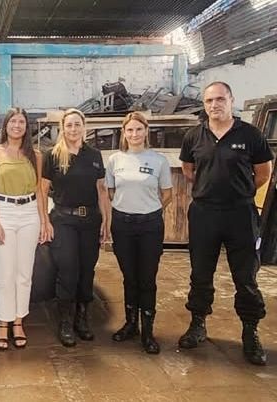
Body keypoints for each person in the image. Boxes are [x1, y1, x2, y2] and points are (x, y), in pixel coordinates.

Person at [178, 81, 272, 366]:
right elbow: (188, 170)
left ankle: (250, 331)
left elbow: (263, 173)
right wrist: (210, 188)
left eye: (220, 99)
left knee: (245, 277)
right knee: (200, 273)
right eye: (209, 101)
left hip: (240, 214)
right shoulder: (194, 136)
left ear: (231, 101)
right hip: (204, 213)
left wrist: (238, 191)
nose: (214, 105)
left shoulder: (250, 134)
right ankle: (197, 324)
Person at [40, 108, 110, 348]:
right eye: (68, 125)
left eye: (77, 124)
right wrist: (44, 221)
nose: (73, 129)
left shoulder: (94, 155)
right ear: (63, 128)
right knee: (68, 271)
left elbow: (101, 190)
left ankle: (82, 319)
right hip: (63, 221)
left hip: (90, 221)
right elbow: (42, 191)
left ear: (84, 127)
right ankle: (65, 322)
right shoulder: (52, 156)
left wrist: (106, 220)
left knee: (87, 271)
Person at [105, 112, 172, 354]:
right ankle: (131, 324)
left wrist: (149, 209)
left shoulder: (158, 160)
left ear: (146, 131)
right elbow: (110, 191)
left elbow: (167, 194)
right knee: (129, 277)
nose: (134, 134)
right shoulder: (115, 160)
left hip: (149, 226)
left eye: (139, 129)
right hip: (122, 225)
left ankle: (148, 331)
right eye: (130, 130)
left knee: (147, 278)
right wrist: (127, 207)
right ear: (124, 133)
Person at [0, 107, 47, 351]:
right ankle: (3, 323)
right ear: (6, 125)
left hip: (29, 213)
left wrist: (43, 220)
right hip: (5, 211)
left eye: (21, 122)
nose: (17, 126)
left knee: (24, 273)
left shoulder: (36, 155)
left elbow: (39, 190)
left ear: (26, 127)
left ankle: (19, 321)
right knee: (4, 273)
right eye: (13, 121)